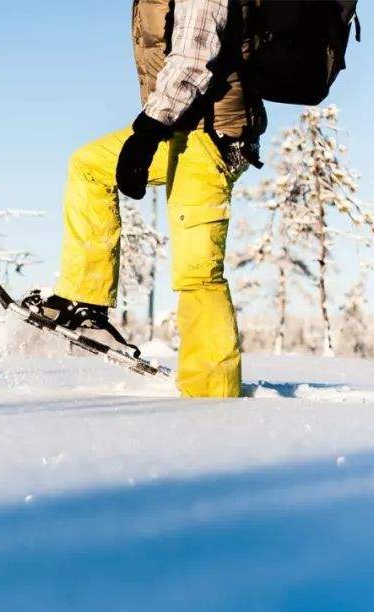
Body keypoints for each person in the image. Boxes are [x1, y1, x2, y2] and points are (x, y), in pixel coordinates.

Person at [37, 0, 266, 398]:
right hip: (181, 128)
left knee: (197, 272)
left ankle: (213, 398)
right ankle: (86, 304)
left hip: (213, 137)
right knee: (90, 165)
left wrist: (146, 134)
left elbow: (193, 61)